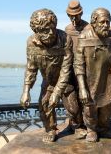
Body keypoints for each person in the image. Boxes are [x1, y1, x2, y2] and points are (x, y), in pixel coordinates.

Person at [20, 9, 72, 142]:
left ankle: (76, 124)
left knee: (74, 110)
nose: (50, 33)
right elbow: (31, 68)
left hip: (68, 81)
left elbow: (66, 70)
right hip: (48, 81)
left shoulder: (65, 39)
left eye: (52, 28)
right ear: (36, 31)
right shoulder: (31, 43)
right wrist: (26, 91)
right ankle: (51, 129)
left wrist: (57, 92)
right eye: (44, 30)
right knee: (44, 105)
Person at [74, 8, 111, 142]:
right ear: (94, 23)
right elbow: (78, 64)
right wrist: (82, 88)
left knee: (107, 108)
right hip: (90, 80)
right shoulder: (83, 37)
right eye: (102, 22)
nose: (106, 25)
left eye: (108, 21)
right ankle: (91, 130)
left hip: (107, 79)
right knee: (90, 108)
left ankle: (103, 127)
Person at [64, 0, 89, 138]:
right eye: (71, 16)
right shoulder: (67, 29)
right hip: (70, 68)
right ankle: (74, 123)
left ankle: (85, 124)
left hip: (85, 68)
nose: (74, 19)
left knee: (83, 97)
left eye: (76, 15)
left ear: (81, 13)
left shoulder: (88, 28)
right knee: (70, 99)